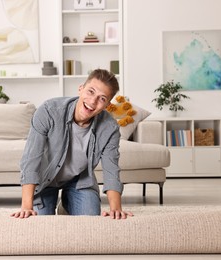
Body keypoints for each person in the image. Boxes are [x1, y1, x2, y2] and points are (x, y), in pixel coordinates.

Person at [11, 69, 133, 219]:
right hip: (44, 181)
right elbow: (31, 158)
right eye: (90, 92)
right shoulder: (49, 111)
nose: (93, 101)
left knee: (90, 220)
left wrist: (116, 208)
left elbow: (111, 168)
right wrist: (26, 206)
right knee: (38, 222)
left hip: (79, 181)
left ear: (107, 105)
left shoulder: (110, 128)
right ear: (81, 89)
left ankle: (68, 204)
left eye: (102, 99)